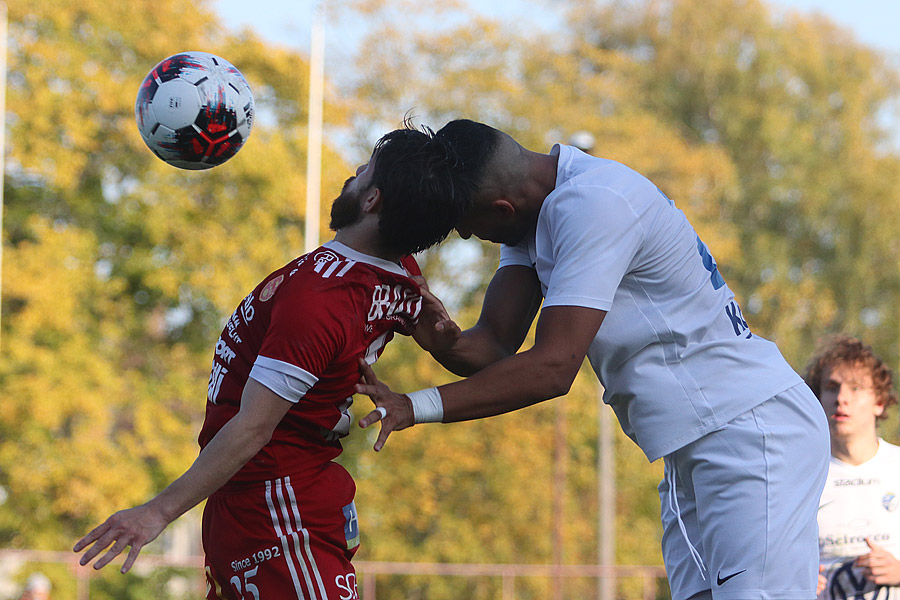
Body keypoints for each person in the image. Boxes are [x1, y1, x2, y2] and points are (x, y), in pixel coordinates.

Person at [355, 119, 830, 600]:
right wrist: (427, 327)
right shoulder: (531, 217)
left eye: (468, 227)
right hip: (697, 445)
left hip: (749, 432)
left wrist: (415, 406)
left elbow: (553, 367)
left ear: (501, 208)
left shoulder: (595, 202)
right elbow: (493, 346)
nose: (467, 237)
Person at [73, 124, 470, 600]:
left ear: (372, 201)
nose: (354, 174)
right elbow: (451, 343)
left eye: (365, 172)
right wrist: (447, 339)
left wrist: (156, 512)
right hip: (251, 501)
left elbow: (253, 428)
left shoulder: (323, 299)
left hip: (278, 509)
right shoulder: (398, 273)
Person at [804, 335, 900, 600]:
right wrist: (796, 583)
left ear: (879, 402)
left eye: (856, 388)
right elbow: (772, 563)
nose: (841, 398)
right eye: (832, 387)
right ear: (818, 399)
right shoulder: (799, 479)